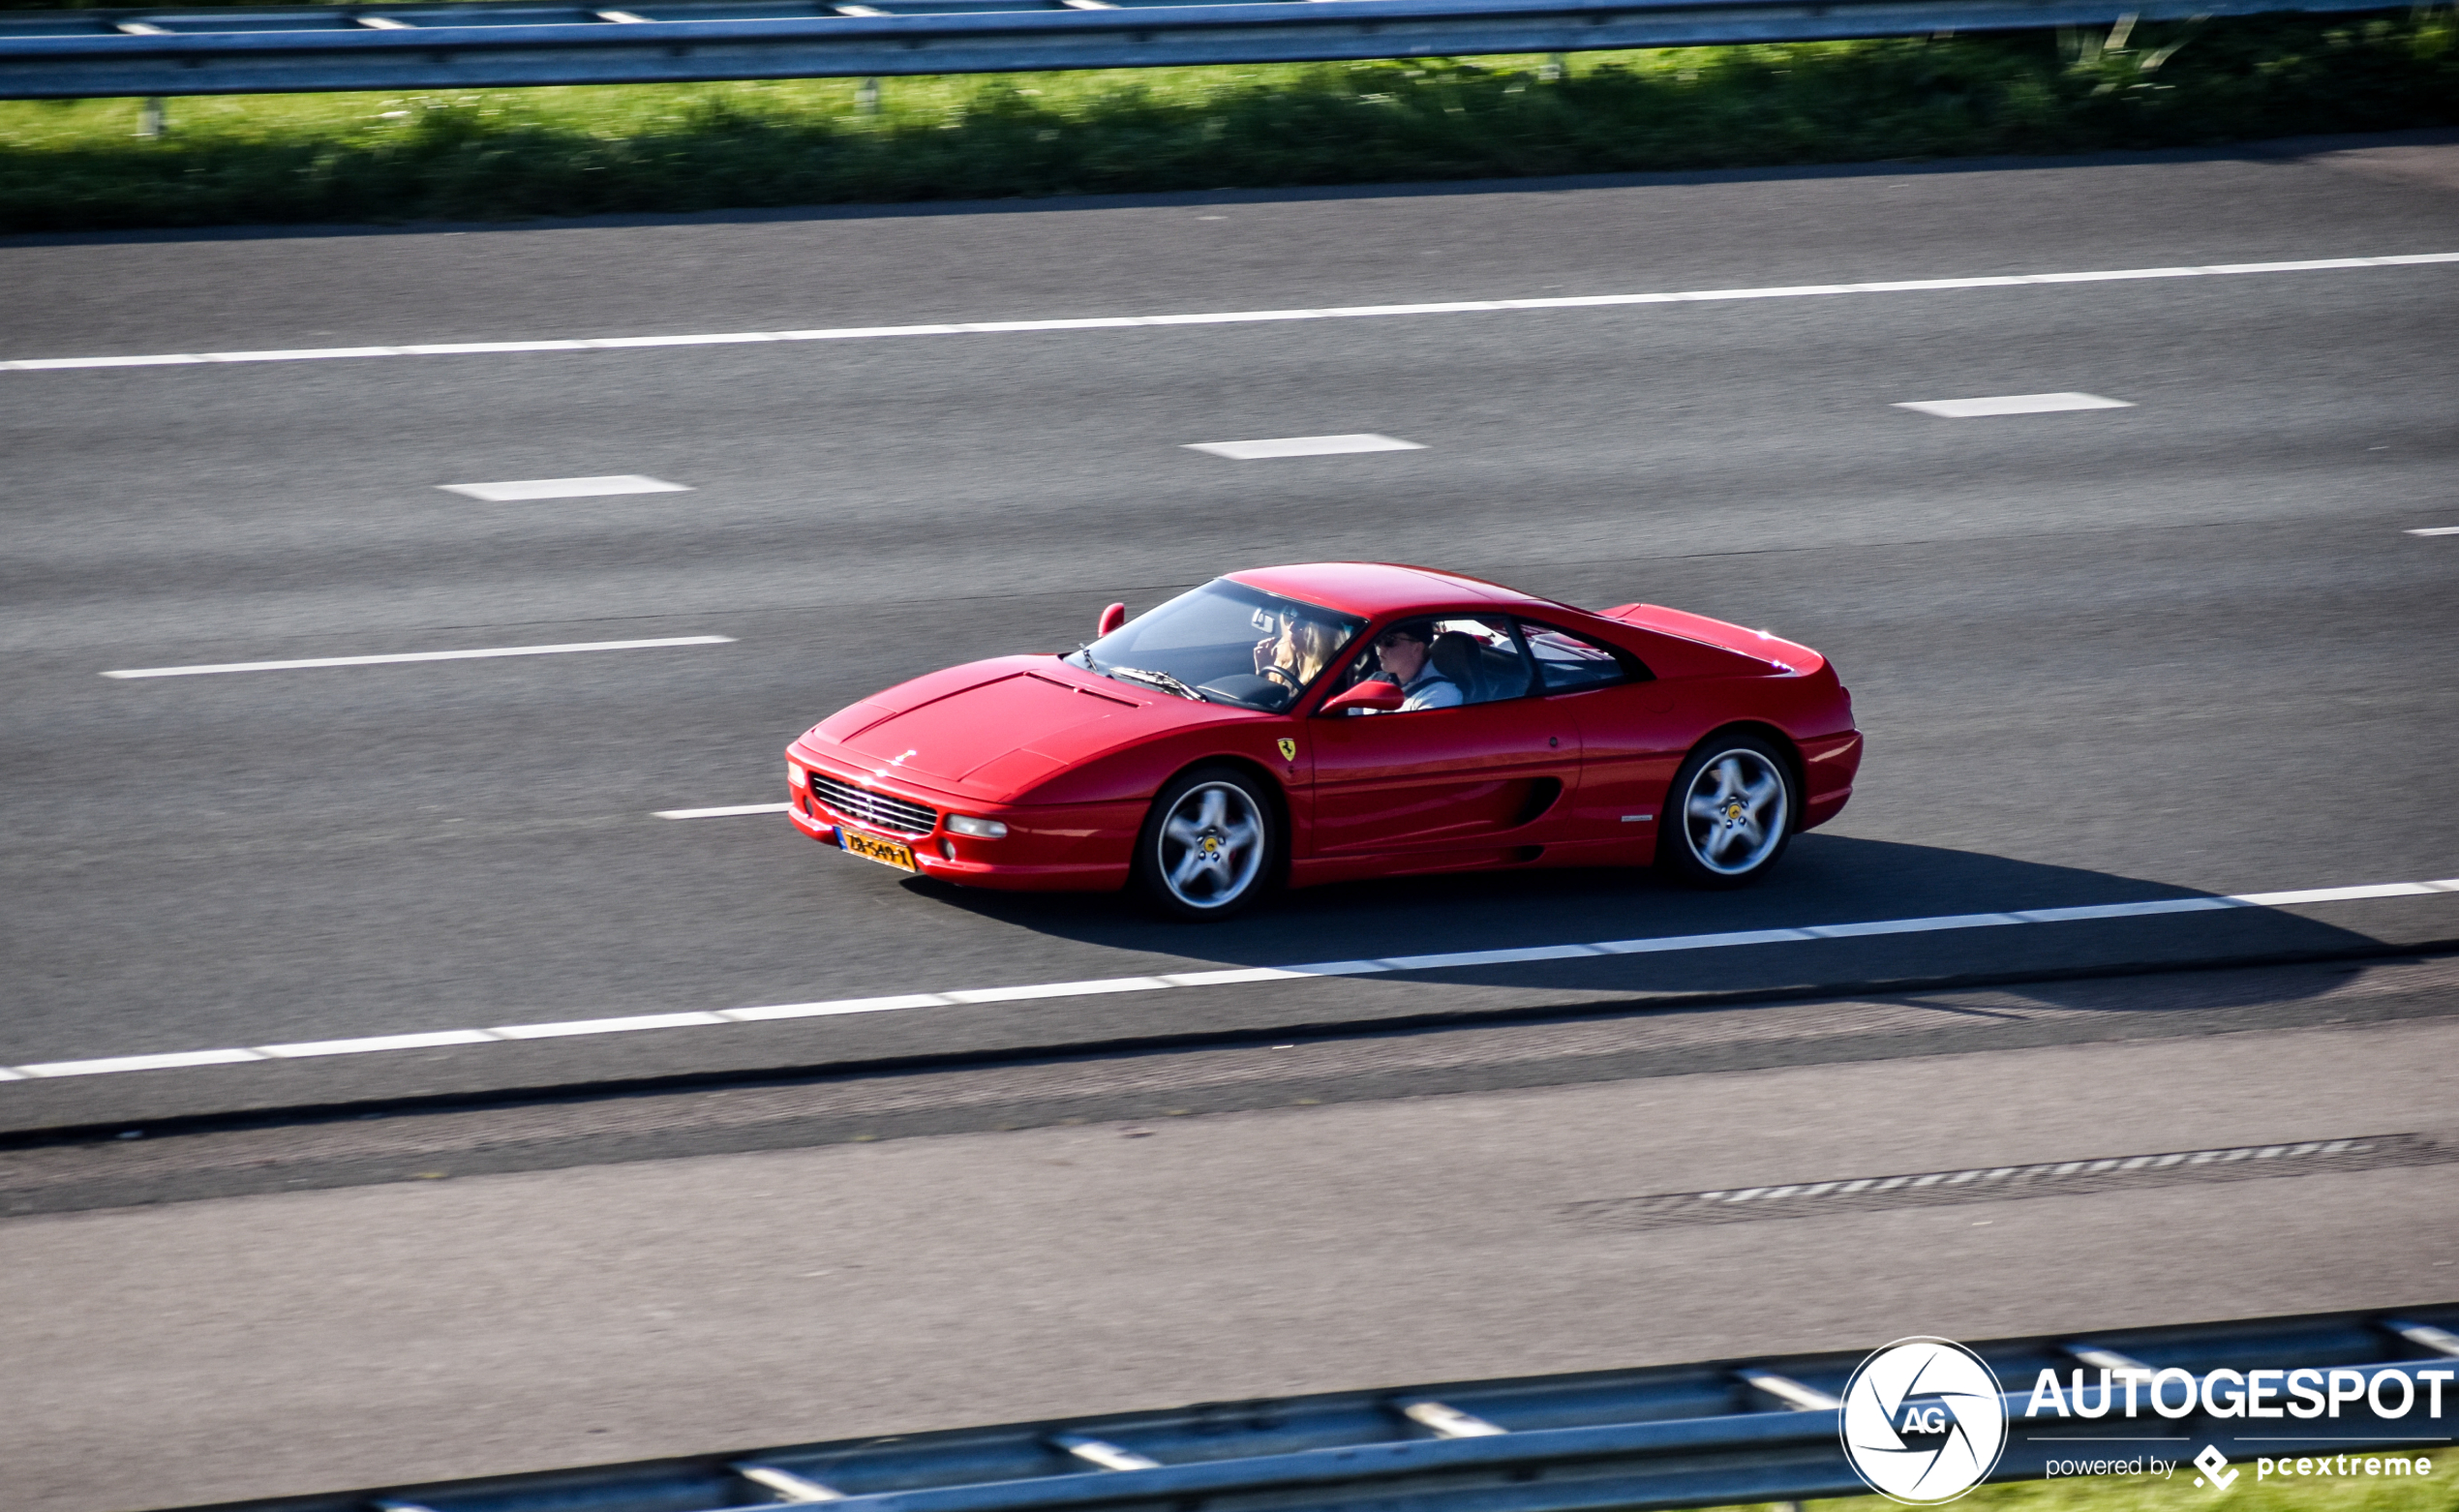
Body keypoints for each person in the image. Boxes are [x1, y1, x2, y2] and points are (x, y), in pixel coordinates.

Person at [1366, 622, 1462, 711]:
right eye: (1378, 640)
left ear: (1417, 648)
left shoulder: (1442, 694)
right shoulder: (1377, 679)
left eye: (1389, 640)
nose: (1380, 647)